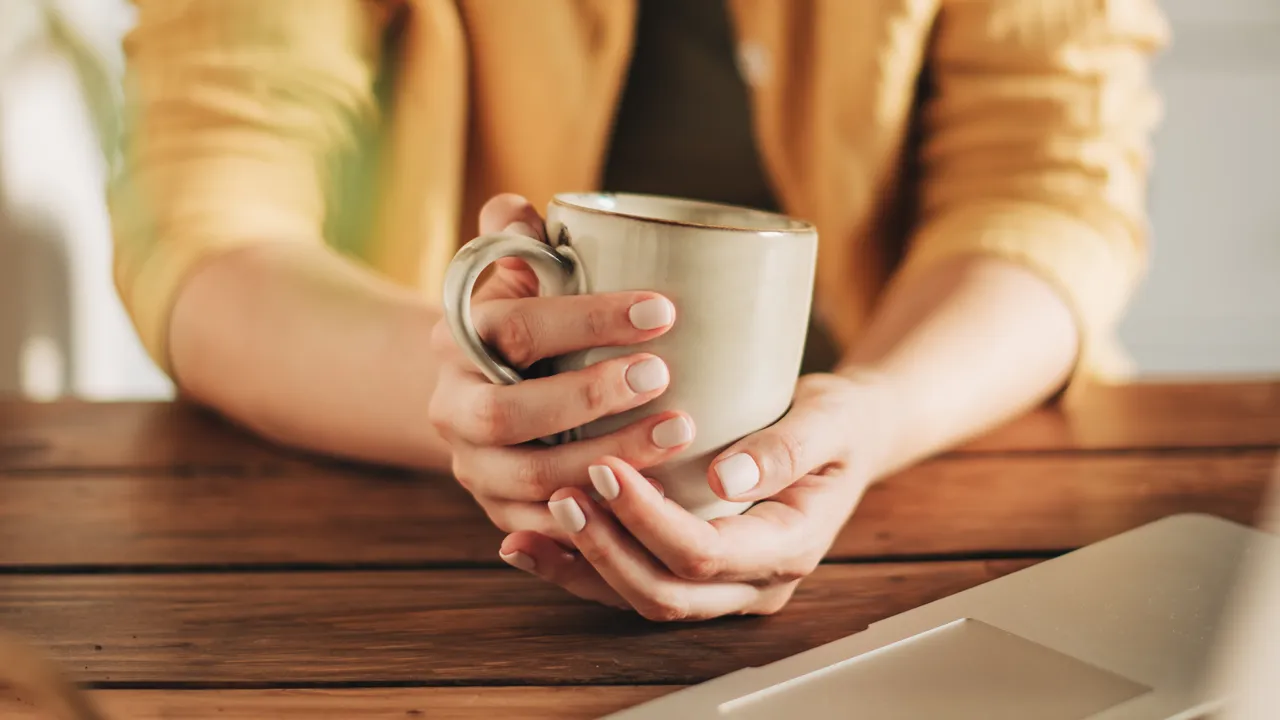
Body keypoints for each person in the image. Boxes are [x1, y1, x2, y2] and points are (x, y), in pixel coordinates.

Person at [110, 0, 1170, 620]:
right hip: (407, 519)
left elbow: (1046, 190)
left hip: (934, 460)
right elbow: (206, 215)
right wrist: (469, 393)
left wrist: (876, 413)